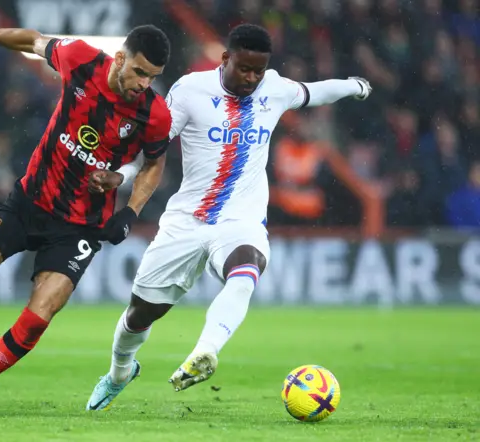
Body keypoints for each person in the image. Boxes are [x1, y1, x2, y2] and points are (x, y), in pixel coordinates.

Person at [84, 23, 371, 411]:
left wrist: (355, 85)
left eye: (259, 70)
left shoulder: (275, 88)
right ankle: (120, 372)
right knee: (140, 315)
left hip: (242, 217)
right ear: (226, 58)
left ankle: (206, 351)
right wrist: (124, 176)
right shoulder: (190, 90)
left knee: (246, 270)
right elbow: (153, 148)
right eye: (244, 69)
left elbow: (316, 92)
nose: (252, 78)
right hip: (188, 218)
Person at [0, 22, 172, 416]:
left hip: (80, 226)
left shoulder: (154, 113)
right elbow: (30, 40)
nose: (144, 83)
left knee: (43, 309)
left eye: (153, 77)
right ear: (121, 58)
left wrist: (129, 211)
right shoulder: (79, 59)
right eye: (140, 72)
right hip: (29, 202)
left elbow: (153, 165)